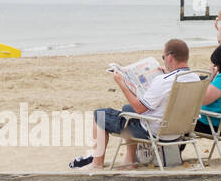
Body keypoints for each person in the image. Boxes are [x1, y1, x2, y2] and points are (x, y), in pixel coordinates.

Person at [70, 39, 200, 170]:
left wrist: (121, 83)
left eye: (163, 57)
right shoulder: (194, 78)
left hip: (153, 131)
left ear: (170, 57)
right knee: (127, 109)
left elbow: (139, 108)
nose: (164, 60)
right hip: (178, 131)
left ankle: (97, 163)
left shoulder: (163, 81)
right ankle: (130, 161)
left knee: (100, 115)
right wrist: (168, 74)